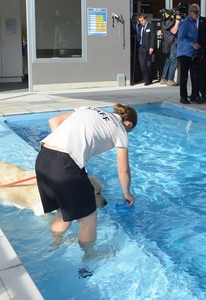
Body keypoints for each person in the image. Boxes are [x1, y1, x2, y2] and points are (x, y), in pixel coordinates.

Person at [34, 104, 137, 249]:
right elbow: (123, 170)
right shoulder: (121, 131)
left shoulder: (89, 108)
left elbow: (54, 120)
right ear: (128, 124)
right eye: (129, 130)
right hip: (66, 166)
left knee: (64, 215)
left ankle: (55, 244)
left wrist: (65, 149)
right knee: (88, 219)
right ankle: (90, 258)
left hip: (43, 156)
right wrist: (127, 193)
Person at [176, 3, 202, 104]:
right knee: (184, 76)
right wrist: (192, 44)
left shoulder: (195, 22)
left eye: (198, 12)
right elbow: (181, 38)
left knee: (195, 75)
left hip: (192, 53)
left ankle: (194, 95)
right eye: (196, 12)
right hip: (184, 52)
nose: (197, 14)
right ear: (190, 12)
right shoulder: (185, 23)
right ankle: (183, 97)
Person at [190, 8, 206, 103]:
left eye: (196, 11)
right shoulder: (188, 22)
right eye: (193, 11)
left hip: (202, 51)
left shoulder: (205, 21)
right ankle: (194, 93)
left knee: (203, 73)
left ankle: (204, 93)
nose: (195, 13)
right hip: (191, 51)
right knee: (193, 74)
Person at [161, 11, 181, 86]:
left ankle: (163, 78)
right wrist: (177, 21)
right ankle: (170, 79)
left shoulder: (164, 22)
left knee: (168, 61)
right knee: (173, 61)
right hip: (172, 43)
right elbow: (174, 31)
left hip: (167, 43)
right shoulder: (170, 22)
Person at [137, 13, 156, 85]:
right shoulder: (140, 27)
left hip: (148, 49)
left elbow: (153, 37)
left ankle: (150, 78)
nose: (140, 22)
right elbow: (139, 37)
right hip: (141, 48)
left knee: (149, 65)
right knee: (142, 65)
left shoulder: (150, 26)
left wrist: (152, 47)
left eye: (142, 21)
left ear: (145, 19)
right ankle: (147, 80)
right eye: (140, 21)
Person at [130, 14, 142, 85]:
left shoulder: (139, 26)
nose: (138, 21)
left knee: (138, 63)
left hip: (138, 47)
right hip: (133, 47)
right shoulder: (131, 25)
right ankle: (134, 77)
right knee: (134, 63)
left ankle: (138, 76)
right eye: (136, 19)